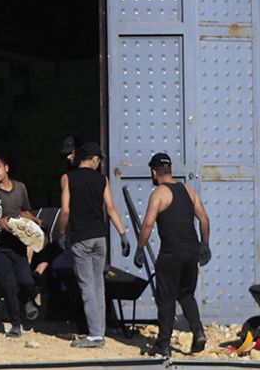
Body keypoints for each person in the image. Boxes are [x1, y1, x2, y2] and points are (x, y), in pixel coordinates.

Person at [134, 152, 212, 357]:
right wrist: (205, 245)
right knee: (186, 294)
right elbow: (204, 219)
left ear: (153, 172)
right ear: (170, 170)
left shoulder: (159, 193)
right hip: (192, 249)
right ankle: (198, 331)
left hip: (171, 252)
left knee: (166, 298)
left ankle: (163, 345)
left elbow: (148, 224)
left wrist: (140, 248)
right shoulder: (188, 190)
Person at [57, 142, 130, 348]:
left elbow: (65, 210)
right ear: (95, 159)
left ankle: (95, 335)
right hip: (100, 237)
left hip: (80, 238)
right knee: (98, 284)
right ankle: (99, 331)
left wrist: (61, 234)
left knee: (86, 285)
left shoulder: (68, 178)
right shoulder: (102, 179)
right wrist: (123, 234)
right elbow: (111, 208)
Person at [0, 156, 38, 337]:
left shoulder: (20, 188)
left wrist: (35, 222)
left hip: (18, 244)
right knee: (9, 284)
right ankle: (15, 323)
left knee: (26, 280)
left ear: (6, 168)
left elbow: (25, 210)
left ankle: (28, 300)